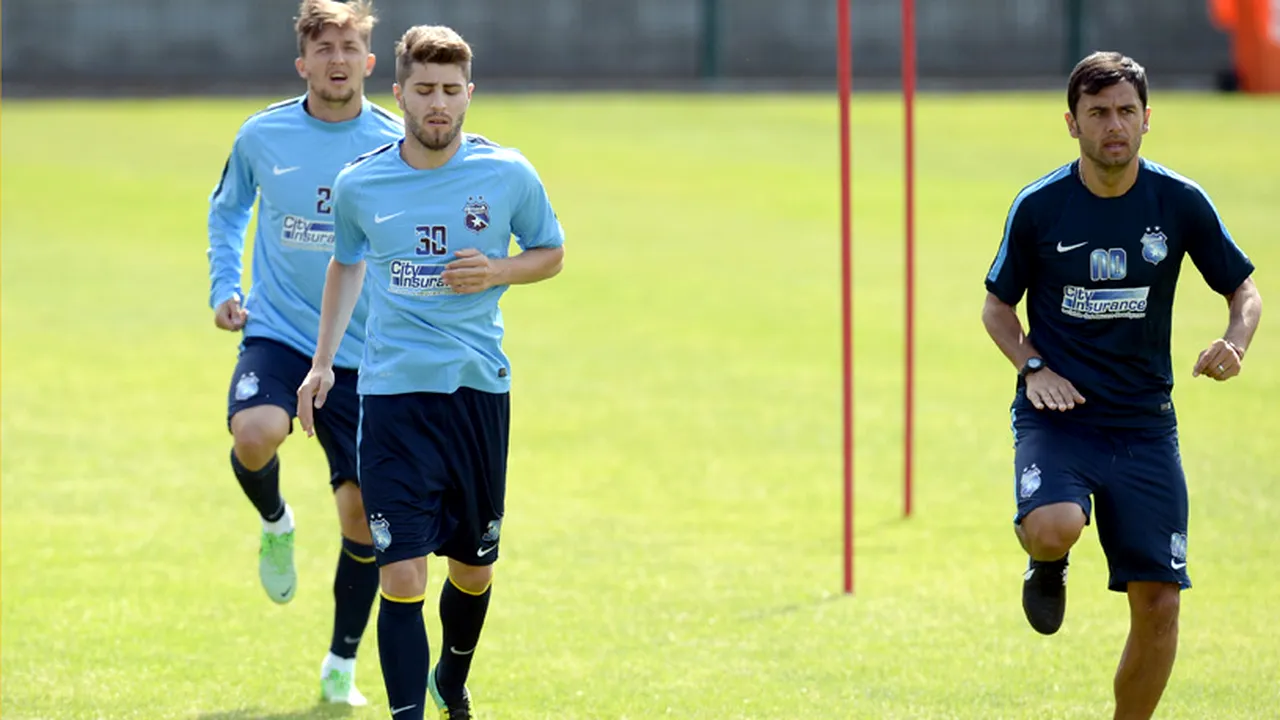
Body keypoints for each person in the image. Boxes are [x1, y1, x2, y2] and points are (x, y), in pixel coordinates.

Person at [296, 24, 566, 720]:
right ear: (400, 94)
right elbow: (346, 262)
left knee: (473, 570)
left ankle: (454, 673)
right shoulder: (361, 183)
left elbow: (551, 251)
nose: (438, 103)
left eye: (450, 90)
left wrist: (500, 270)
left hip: (477, 391)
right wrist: (323, 364)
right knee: (404, 575)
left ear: (469, 94)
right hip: (392, 398)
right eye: (424, 90)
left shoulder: (507, 173)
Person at [982, 51, 1263, 719]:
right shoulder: (1040, 207)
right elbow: (997, 306)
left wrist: (1237, 342)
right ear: (1072, 123)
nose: (1114, 125)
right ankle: (1046, 566)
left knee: (1161, 602)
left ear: (1146, 120)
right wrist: (1032, 367)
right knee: (1054, 527)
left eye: (1126, 112)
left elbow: (1244, 288)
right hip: (1061, 418)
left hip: (1143, 424)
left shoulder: (1179, 202)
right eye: (1098, 113)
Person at [206, 0, 403, 706]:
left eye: (350, 46)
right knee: (255, 435)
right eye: (324, 48)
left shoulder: (393, 140)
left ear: (370, 62)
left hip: (365, 352)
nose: (338, 59)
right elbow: (227, 208)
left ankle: (340, 665)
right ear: (303, 63)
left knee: (361, 520)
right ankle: (275, 521)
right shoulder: (263, 134)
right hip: (283, 332)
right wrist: (225, 287)